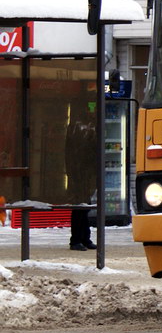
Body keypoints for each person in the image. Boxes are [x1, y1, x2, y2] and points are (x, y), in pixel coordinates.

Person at [64, 99, 97, 251]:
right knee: (79, 206)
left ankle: (84, 237)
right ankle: (76, 239)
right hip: (79, 171)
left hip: (86, 171)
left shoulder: (89, 126)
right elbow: (76, 151)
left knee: (85, 205)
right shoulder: (79, 127)